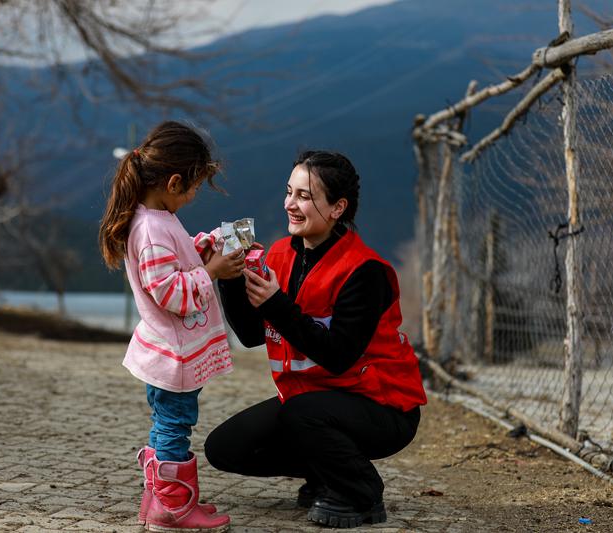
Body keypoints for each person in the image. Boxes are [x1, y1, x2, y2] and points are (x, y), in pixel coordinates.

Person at [205, 150, 427, 529]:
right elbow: (250, 335)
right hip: (311, 404)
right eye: (289, 192)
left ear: (338, 207)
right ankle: (329, 472)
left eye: (305, 196)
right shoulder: (278, 255)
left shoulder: (365, 271)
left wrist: (276, 305)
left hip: (383, 408)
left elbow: (338, 355)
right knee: (225, 448)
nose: (291, 204)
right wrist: (228, 277)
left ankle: (360, 492)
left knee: (301, 413)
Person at [99, 120, 245, 532]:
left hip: (169, 351)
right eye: (195, 186)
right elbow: (170, 293)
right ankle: (173, 508)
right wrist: (212, 271)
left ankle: (161, 499)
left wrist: (202, 249)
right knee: (175, 426)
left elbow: (169, 267)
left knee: (169, 424)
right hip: (172, 355)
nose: (195, 195)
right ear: (174, 181)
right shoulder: (152, 228)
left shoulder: (156, 219)